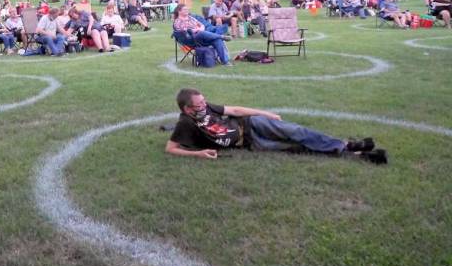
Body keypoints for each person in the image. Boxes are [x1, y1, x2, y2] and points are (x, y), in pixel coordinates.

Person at [165, 88, 388, 164]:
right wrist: (200, 154)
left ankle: (347, 145)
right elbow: (171, 149)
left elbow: (235, 111)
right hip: (249, 143)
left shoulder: (206, 106)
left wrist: (266, 113)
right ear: (187, 109)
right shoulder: (185, 123)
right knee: (295, 147)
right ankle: (359, 155)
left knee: (297, 132)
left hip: (252, 124)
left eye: (204, 101)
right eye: (199, 104)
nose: (204, 105)